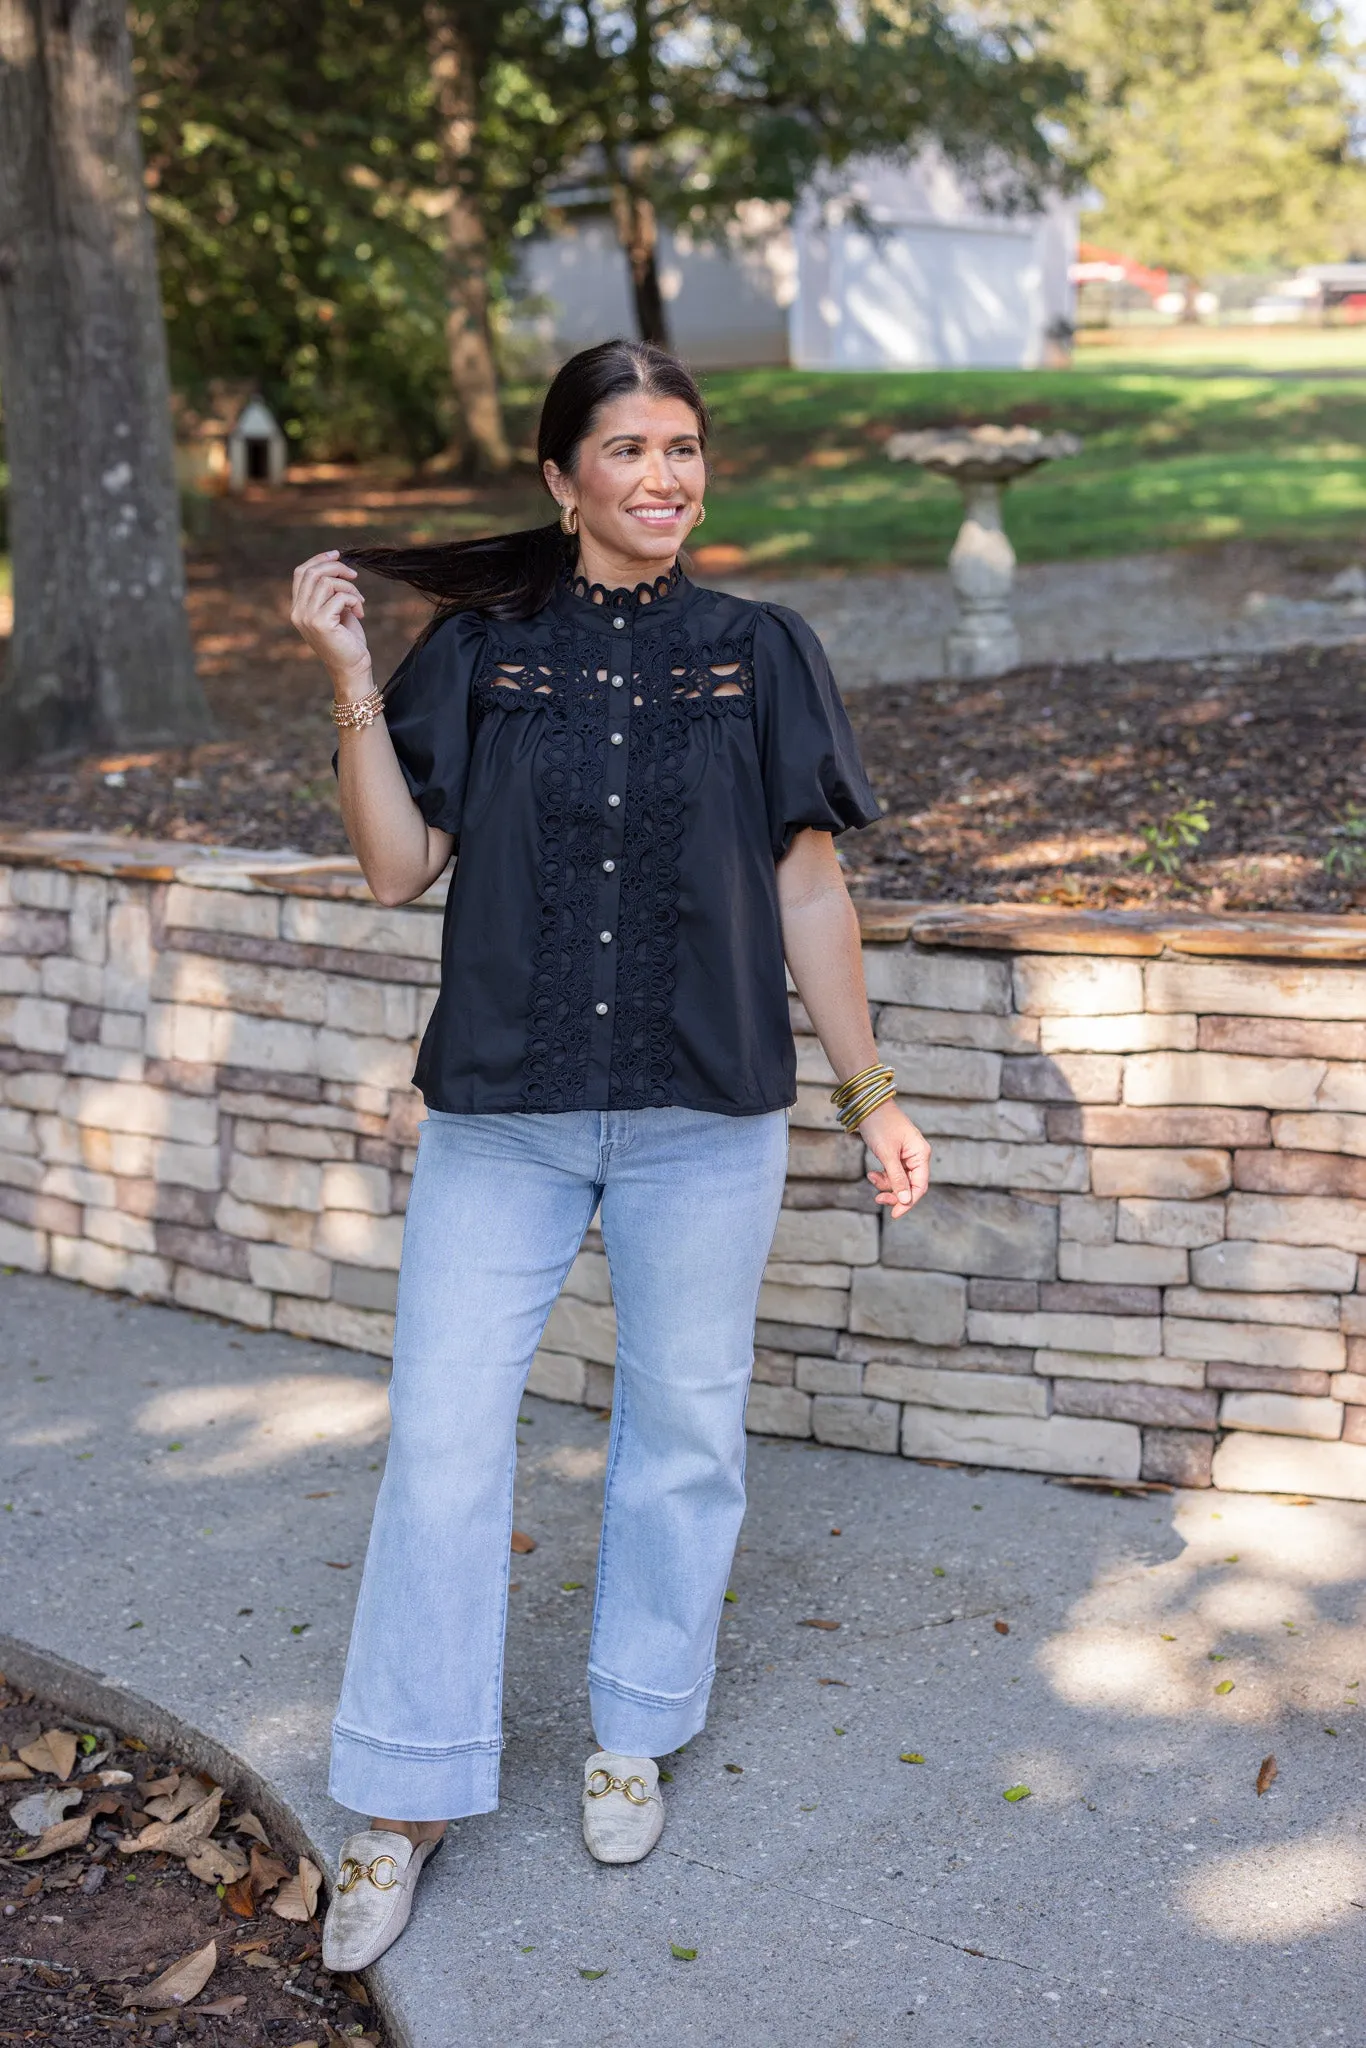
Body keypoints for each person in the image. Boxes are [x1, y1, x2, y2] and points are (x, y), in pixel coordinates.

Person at [289, 338, 930, 1972]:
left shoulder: (758, 651)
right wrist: (353, 677)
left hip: (699, 1109)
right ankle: (405, 1802)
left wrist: (870, 1095)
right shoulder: (482, 651)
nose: (663, 478)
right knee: (441, 1438)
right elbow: (392, 868)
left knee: (682, 1432)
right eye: (629, 451)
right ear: (561, 476)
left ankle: (632, 1724)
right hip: (501, 1111)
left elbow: (804, 891)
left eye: (685, 450)